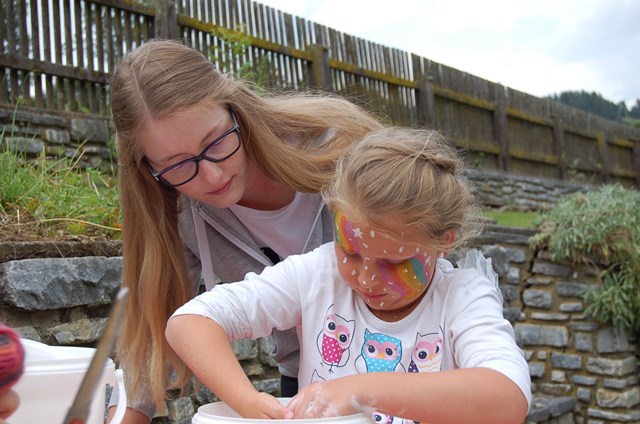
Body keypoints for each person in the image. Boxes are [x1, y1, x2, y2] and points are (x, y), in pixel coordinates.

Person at [165, 127, 532, 423]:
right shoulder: (318, 273)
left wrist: (361, 391)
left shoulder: (463, 297)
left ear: (444, 243)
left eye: (393, 263)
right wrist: (246, 400)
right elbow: (190, 322)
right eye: (351, 252)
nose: (368, 278)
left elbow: (508, 398)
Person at [107, 39, 384, 423]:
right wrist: (126, 415)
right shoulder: (181, 215)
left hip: (407, 371)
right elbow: (157, 322)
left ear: (235, 109)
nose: (212, 175)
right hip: (304, 392)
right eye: (176, 166)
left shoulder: (340, 147)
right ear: (148, 170)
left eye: (216, 142)